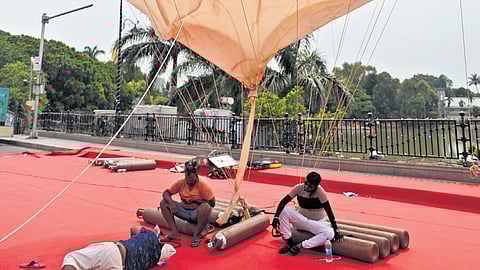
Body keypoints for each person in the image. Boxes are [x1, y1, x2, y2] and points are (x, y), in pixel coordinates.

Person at [271, 171, 343, 255]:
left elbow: (329, 212)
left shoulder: (320, 192)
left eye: (310, 186)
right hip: (301, 221)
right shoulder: (298, 188)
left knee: (330, 233)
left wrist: (336, 230)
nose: (306, 186)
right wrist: (276, 218)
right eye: (306, 183)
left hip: (316, 223)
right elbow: (283, 202)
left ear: (316, 186)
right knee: (284, 210)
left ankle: (299, 246)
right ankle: (289, 243)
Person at [62, 225, 176, 270]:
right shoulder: (153, 260)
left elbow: (134, 228)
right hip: (121, 260)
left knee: (72, 259)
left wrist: (131, 241)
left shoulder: (149, 236)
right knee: (73, 260)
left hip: (117, 252)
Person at [160, 158, 216, 247]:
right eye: (188, 181)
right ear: (185, 176)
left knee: (206, 207)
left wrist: (196, 200)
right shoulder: (181, 181)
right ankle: (175, 233)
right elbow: (166, 193)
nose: (190, 183)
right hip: (183, 211)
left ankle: (196, 235)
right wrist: (171, 203)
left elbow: (212, 203)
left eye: (192, 181)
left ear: (196, 175)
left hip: (196, 213)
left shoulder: (203, 185)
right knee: (164, 203)